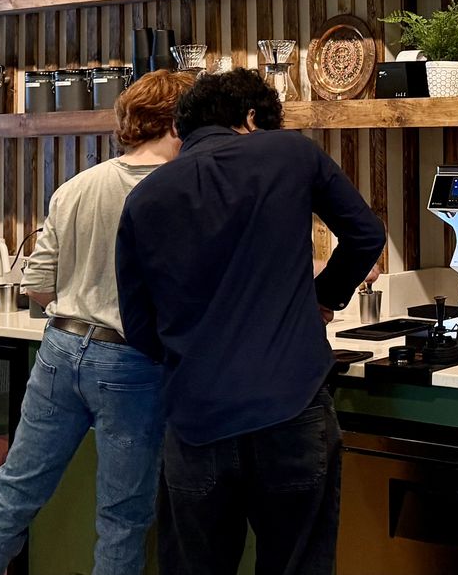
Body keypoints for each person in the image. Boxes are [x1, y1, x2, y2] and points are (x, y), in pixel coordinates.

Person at [117, 68, 385, 575]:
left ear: (184, 127)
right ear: (249, 118)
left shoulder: (145, 198)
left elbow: (140, 327)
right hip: (290, 409)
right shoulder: (290, 154)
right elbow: (366, 236)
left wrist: (193, 352)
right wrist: (321, 298)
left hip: (196, 424)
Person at [0, 69, 197, 575]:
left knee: (11, 497)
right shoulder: (184, 192)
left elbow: (38, 287)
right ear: (178, 124)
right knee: (122, 519)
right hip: (130, 365)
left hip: (60, 351)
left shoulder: (77, 186)